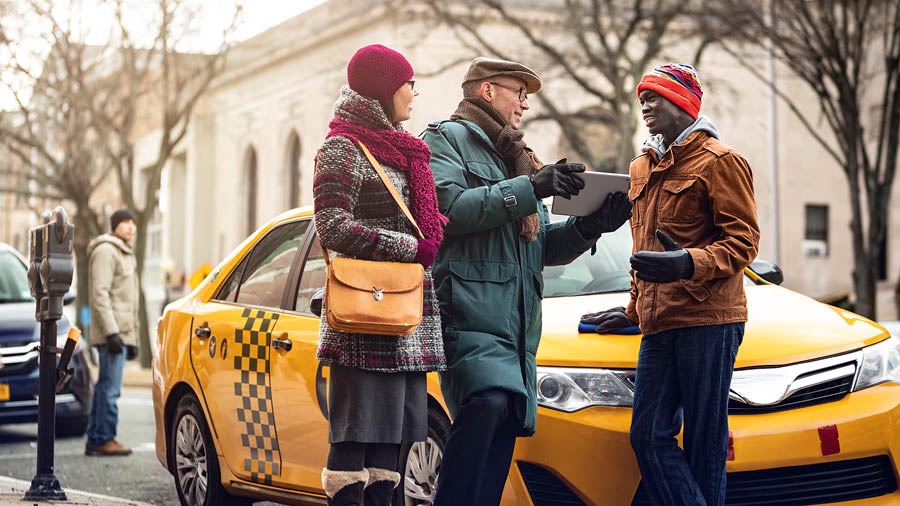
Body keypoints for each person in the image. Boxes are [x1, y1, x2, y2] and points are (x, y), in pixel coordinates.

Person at [422, 56, 633, 506]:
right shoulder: (445, 139)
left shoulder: (518, 155)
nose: (525, 105)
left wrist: (592, 226)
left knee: (503, 421)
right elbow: (450, 210)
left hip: (518, 329)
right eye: (518, 93)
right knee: (487, 404)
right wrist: (532, 187)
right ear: (486, 91)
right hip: (470, 313)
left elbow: (541, 248)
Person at [582, 63, 760, 505]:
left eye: (655, 96)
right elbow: (641, 248)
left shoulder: (721, 161)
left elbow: (743, 242)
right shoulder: (640, 167)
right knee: (647, 436)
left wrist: (688, 264)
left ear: (683, 102)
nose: (644, 104)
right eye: (642, 96)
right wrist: (630, 311)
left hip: (709, 320)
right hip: (659, 325)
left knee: (704, 444)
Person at [312, 44, 446, 506]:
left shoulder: (406, 151)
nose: (414, 92)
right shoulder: (341, 148)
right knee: (353, 447)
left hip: (406, 320)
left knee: (391, 452)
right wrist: (410, 247)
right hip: (364, 320)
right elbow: (330, 227)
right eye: (408, 83)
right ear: (384, 87)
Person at [85, 208, 140, 456]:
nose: (131, 226)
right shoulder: (107, 251)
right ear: (115, 225)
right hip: (112, 331)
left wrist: (133, 339)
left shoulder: (126, 253)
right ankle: (103, 437)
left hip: (121, 331)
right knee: (110, 387)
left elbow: (130, 301)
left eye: (133, 223)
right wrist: (111, 333)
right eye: (125, 222)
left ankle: (97, 438)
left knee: (105, 385)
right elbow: (100, 293)